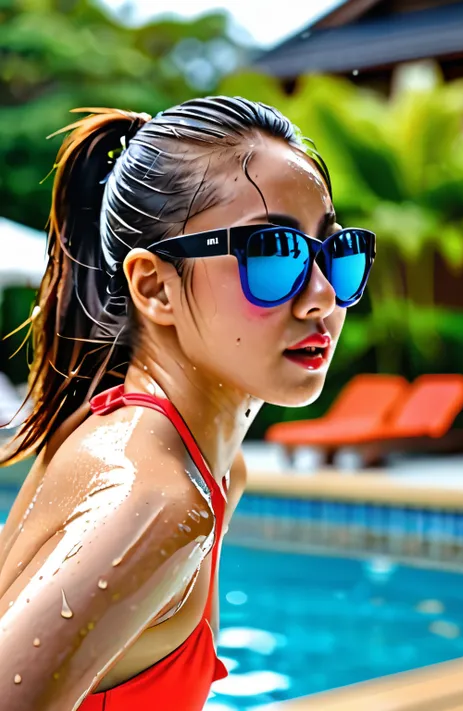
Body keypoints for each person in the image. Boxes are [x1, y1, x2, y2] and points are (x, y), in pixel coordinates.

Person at [0, 96, 375, 711]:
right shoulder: (156, 501)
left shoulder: (184, 459)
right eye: (272, 253)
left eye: (335, 253)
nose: (321, 296)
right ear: (154, 287)